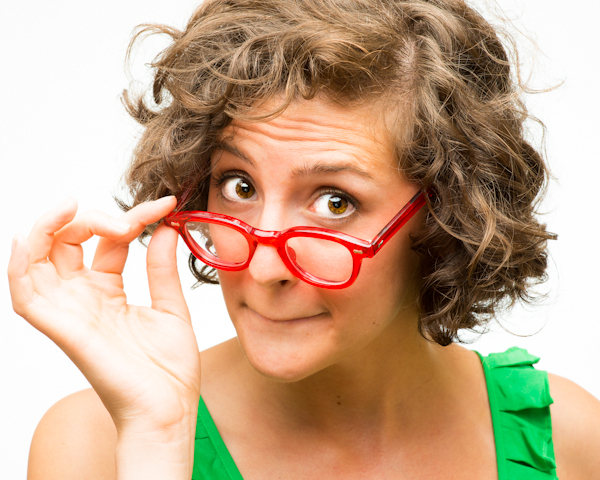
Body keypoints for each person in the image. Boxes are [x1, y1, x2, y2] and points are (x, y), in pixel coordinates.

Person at [7, 0, 600, 478]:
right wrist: (157, 443)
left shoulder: (572, 439)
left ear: (446, 214)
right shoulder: (95, 447)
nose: (263, 269)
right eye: (238, 186)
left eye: (335, 202)